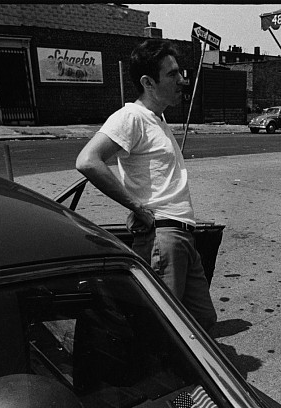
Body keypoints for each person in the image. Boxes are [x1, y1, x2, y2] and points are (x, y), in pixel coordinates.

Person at [76, 38, 216, 331]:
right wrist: (136, 205)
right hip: (163, 236)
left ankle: (192, 376)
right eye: (172, 74)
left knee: (202, 321)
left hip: (182, 235)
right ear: (148, 82)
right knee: (164, 328)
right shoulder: (131, 117)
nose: (181, 80)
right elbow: (88, 160)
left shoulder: (157, 118)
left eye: (180, 72)